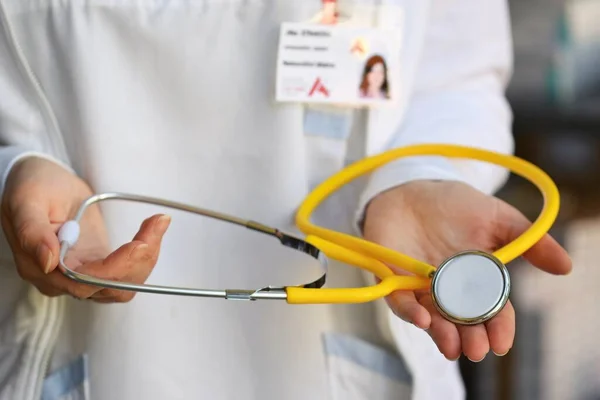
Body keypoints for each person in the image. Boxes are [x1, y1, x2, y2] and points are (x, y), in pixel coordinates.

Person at [0, 1, 571, 400]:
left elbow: (454, 80)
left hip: (351, 355)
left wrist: (418, 174)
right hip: (83, 356)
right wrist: (15, 173)